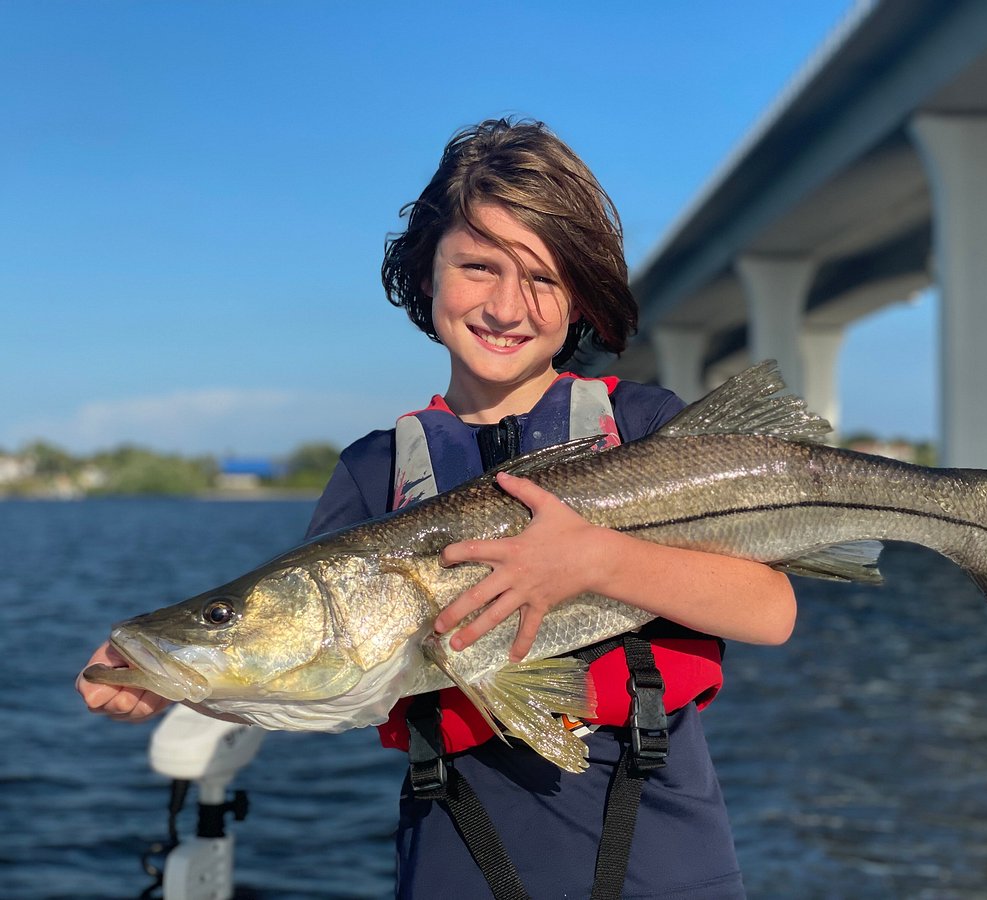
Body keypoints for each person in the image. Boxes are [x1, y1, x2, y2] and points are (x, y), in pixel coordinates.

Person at [78, 118, 797, 898]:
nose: (507, 304)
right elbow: (318, 673)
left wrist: (599, 560)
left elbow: (771, 612)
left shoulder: (648, 431)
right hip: (457, 854)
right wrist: (176, 681)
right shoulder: (374, 473)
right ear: (425, 274)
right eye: (478, 266)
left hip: (663, 849)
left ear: (580, 293)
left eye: (544, 277)